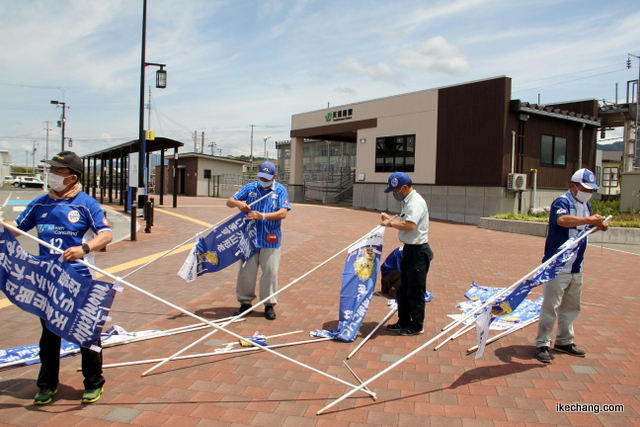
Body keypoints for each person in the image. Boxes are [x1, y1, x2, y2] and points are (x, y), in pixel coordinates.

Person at [2, 151, 113, 404]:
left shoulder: (86, 203)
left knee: (87, 333)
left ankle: (93, 383)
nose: (50, 174)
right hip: (48, 281)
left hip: (80, 278)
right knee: (50, 333)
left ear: (71, 177)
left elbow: (106, 235)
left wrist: (83, 249)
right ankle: (46, 384)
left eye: (56, 171)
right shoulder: (40, 203)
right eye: (50, 169)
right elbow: (18, 229)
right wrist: (2, 224)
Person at [535, 168, 608, 363]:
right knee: (550, 306)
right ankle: (543, 342)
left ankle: (564, 340)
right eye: (585, 189)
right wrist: (588, 220)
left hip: (576, 266)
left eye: (591, 190)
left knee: (571, 306)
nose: (588, 193)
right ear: (573, 186)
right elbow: (563, 220)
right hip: (557, 266)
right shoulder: (562, 202)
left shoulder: (586, 206)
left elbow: (583, 230)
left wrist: (597, 225)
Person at [226, 161, 291, 320]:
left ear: (274, 176)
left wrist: (262, 216)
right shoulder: (251, 188)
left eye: (267, 177)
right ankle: (245, 303)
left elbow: (283, 213)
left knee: (270, 272)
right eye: (261, 176)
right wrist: (238, 203)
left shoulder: (280, 190)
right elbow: (229, 201)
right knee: (246, 272)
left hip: (271, 238)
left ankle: (269, 305)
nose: (264, 179)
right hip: (249, 238)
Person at [380, 172, 432, 336]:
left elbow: (410, 225)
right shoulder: (408, 201)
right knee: (403, 289)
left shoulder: (415, 202)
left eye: (395, 190)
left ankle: (416, 325)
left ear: (404, 187)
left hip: (417, 251)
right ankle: (403, 321)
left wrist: (389, 223)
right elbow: (404, 221)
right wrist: (392, 219)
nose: (394, 193)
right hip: (409, 250)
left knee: (415, 290)